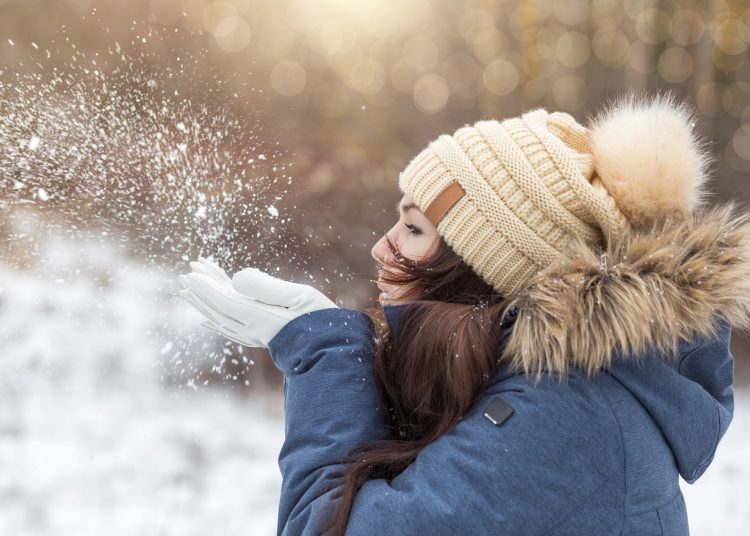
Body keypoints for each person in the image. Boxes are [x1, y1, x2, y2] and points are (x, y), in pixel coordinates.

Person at [178, 90, 750, 535]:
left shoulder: (568, 418)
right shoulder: (545, 388)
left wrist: (326, 358)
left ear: (483, 268)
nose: (382, 247)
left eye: (412, 227)